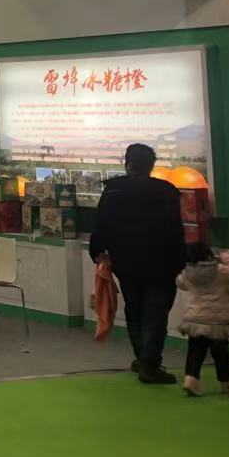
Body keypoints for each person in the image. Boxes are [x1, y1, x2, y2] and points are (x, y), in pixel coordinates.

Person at [89, 143, 186, 385]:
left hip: (126, 261)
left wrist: (98, 252)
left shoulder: (113, 190)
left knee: (134, 309)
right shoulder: (166, 192)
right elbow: (176, 231)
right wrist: (180, 261)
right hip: (161, 263)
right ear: (151, 165)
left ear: (128, 163)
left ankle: (143, 359)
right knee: (156, 313)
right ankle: (150, 365)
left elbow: (101, 224)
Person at [175, 242, 229, 396]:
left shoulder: (187, 274)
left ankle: (191, 379)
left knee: (195, 351)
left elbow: (179, 283)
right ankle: (226, 383)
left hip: (196, 320)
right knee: (221, 353)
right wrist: (223, 255)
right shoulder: (221, 271)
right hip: (219, 322)